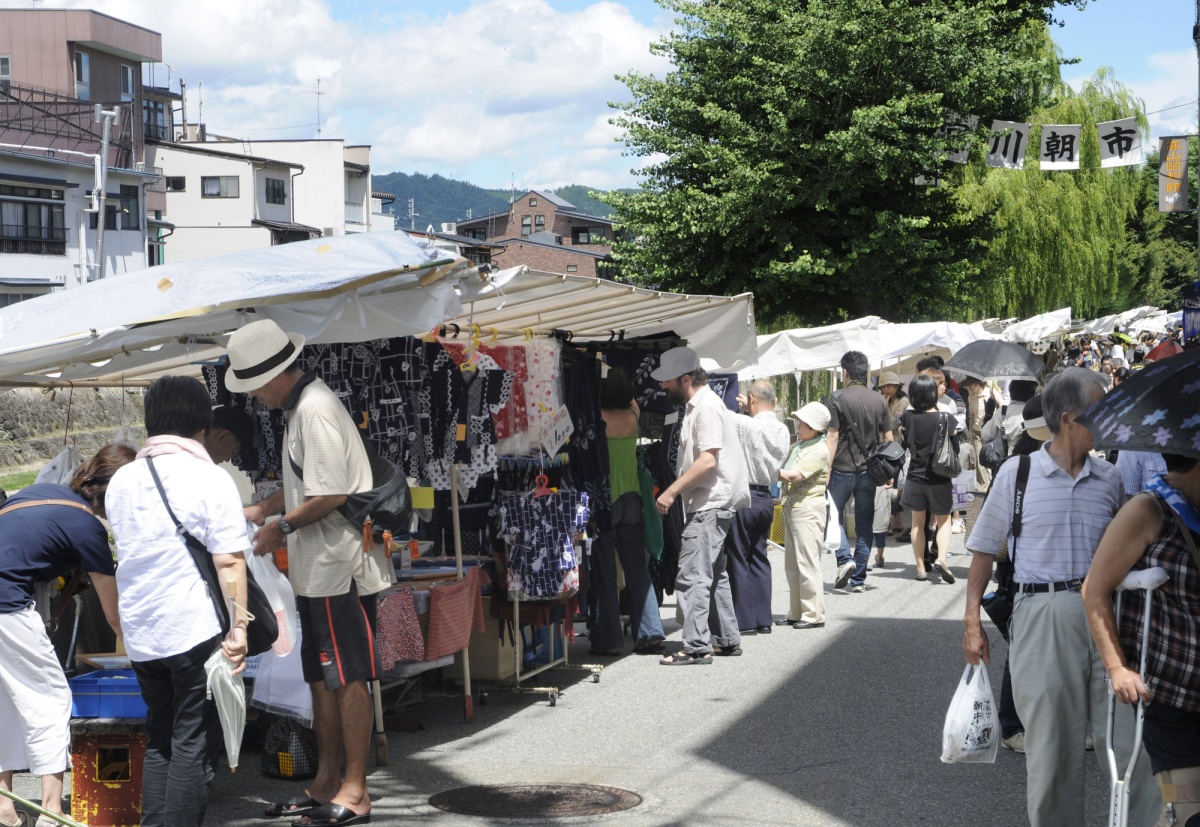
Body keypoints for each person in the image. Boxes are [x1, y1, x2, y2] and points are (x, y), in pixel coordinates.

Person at [963, 368, 1159, 827]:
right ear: (1069, 418)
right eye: (1100, 411)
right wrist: (971, 621)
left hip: (1106, 617)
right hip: (1041, 614)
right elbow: (984, 551)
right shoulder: (1019, 472)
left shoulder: (1110, 480)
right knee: (1053, 754)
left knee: (1134, 746)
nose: (1109, 422)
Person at [227, 319, 378, 825]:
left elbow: (333, 493)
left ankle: (355, 789)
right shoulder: (303, 408)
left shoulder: (312, 410)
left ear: (272, 375)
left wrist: (278, 528)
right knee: (322, 676)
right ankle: (328, 779)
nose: (252, 397)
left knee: (348, 677)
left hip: (339, 566)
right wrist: (263, 508)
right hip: (319, 570)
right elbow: (311, 485)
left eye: (252, 385)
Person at [105, 378, 250, 827]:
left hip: (143, 634)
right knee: (190, 742)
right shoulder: (209, 477)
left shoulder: (122, 480)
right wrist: (239, 628)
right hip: (191, 627)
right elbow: (228, 562)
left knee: (162, 738)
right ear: (202, 423)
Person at [0, 444, 131, 827]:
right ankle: (52, 811)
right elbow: (115, 616)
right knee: (50, 697)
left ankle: (5, 807)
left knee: (6, 699)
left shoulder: (37, 493)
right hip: (6, 605)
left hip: (7, 599)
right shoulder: (88, 528)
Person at [1083, 452, 1200, 826]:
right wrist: (1117, 667)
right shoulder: (1148, 509)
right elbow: (1094, 590)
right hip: (1172, 696)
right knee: (1187, 810)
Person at [652, 347, 750, 665]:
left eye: (666, 381)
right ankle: (725, 639)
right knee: (715, 572)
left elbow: (708, 460)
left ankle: (695, 646)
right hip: (713, 500)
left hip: (709, 501)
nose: (662, 387)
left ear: (684, 379)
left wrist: (670, 492)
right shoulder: (702, 405)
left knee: (693, 574)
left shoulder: (705, 407)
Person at [591, 367, 665, 655]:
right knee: (637, 568)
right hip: (633, 499)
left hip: (605, 500)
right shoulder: (633, 416)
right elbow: (632, 400)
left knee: (605, 571)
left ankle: (608, 640)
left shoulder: (599, 417)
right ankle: (650, 632)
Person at [825, 351, 894, 593]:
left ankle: (845, 560)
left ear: (845, 372)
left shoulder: (837, 398)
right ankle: (858, 580)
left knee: (833, 517)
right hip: (869, 471)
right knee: (865, 526)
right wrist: (888, 469)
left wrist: (826, 468)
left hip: (841, 469)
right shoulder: (880, 400)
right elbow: (888, 438)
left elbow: (832, 436)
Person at [726, 380, 790, 635]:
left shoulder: (744, 424)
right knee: (759, 556)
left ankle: (745, 621)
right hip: (766, 496)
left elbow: (725, 417)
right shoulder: (783, 430)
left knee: (738, 556)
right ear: (773, 401)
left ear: (751, 399)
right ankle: (764, 619)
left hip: (745, 495)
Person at [898, 375, 958, 584]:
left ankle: (920, 568)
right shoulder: (946, 418)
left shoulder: (907, 417)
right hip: (939, 478)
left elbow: (905, 443)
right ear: (933, 393)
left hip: (915, 477)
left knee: (917, 523)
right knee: (944, 521)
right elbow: (955, 448)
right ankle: (941, 558)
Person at [776, 403, 831, 629]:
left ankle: (813, 614)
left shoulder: (818, 449)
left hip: (807, 509)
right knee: (792, 563)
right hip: (794, 507)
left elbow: (793, 476)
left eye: (803, 423)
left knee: (807, 563)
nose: (797, 426)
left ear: (816, 428)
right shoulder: (800, 445)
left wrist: (767, 468)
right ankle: (796, 611)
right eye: (798, 421)